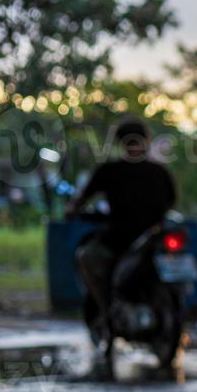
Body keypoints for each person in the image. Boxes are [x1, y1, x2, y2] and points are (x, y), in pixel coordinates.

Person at [70, 119, 177, 320]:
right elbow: (172, 201)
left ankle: (105, 309)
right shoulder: (160, 172)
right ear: (146, 140)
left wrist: (72, 209)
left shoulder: (109, 171)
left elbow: (82, 199)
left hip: (120, 237)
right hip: (155, 235)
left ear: (121, 142)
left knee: (86, 257)